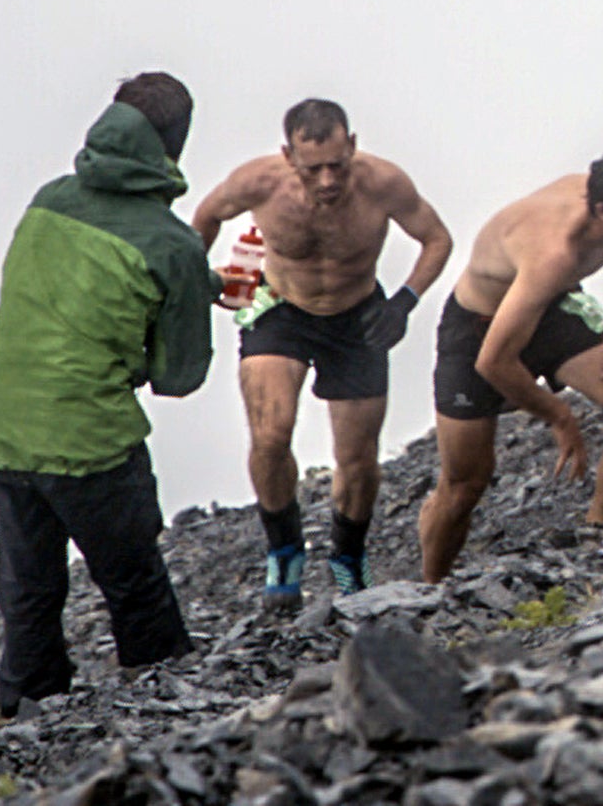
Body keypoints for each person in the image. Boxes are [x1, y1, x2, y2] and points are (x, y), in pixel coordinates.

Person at [0, 73, 217, 716]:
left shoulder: (48, 199)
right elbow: (179, 377)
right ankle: (165, 717)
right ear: (175, 146)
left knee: (28, 595)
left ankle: (25, 726)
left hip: (3, 424)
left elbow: (68, 298)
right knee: (133, 584)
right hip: (89, 441)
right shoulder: (173, 244)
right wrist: (189, 299)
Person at [190, 99, 453, 606]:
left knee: (357, 459)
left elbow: (436, 239)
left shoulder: (383, 183)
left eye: (339, 164)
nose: (329, 180)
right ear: (289, 156)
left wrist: (404, 302)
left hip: (357, 319)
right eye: (315, 169)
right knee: (270, 435)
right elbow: (205, 217)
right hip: (281, 310)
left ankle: (348, 557)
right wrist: (201, 283)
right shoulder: (257, 183)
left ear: (353, 145)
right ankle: (284, 550)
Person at [418, 143, 603, 582]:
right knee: (464, 483)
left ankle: (597, 542)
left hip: (554, 307)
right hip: (480, 327)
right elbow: (494, 360)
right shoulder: (554, 249)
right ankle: (429, 594)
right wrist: (559, 416)